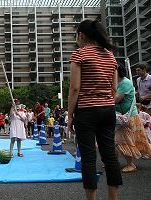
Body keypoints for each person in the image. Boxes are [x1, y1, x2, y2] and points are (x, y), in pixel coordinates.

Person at [67, 19, 122, 199]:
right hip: (108, 110)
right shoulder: (110, 56)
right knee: (110, 157)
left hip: (86, 111)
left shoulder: (79, 55)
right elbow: (114, 88)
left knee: (89, 159)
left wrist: (70, 116)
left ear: (81, 35)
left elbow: (74, 88)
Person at [115, 64, 151, 169]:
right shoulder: (116, 82)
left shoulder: (125, 83)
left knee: (130, 141)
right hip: (120, 116)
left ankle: (130, 164)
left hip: (129, 116)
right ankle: (114, 162)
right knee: (117, 140)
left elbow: (115, 99)